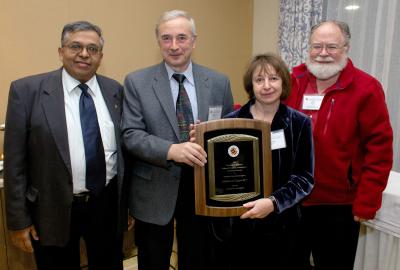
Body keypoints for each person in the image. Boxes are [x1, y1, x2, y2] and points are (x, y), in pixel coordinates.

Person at [4, 21, 126, 270]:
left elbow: (126, 153)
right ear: (61, 51)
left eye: (92, 49)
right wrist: (18, 221)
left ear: (100, 57)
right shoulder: (26, 91)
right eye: (75, 46)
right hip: (51, 208)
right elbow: (15, 163)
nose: (84, 54)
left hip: (106, 204)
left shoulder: (115, 91)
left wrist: (129, 206)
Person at [121, 9, 234, 270]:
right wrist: (171, 150)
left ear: (194, 41)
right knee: (152, 261)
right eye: (166, 38)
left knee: (198, 258)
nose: (174, 46)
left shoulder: (218, 81)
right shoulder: (137, 82)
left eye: (182, 38)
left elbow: (228, 133)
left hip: (202, 188)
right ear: (158, 41)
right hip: (155, 186)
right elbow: (131, 134)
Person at [286, 20, 393, 270]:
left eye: (332, 46)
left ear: (346, 47)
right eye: (317, 46)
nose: (323, 53)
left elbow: (380, 149)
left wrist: (367, 201)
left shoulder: (366, 88)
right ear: (308, 48)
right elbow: (263, 110)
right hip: (292, 199)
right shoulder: (292, 80)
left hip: (338, 206)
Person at [199, 53, 314, 270]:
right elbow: (216, 174)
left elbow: (304, 178)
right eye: (259, 80)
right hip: (239, 226)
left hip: (283, 226)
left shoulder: (299, 123)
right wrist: (199, 143)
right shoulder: (229, 123)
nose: (267, 86)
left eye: (273, 78)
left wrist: (273, 203)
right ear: (251, 85)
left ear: (284, 82)